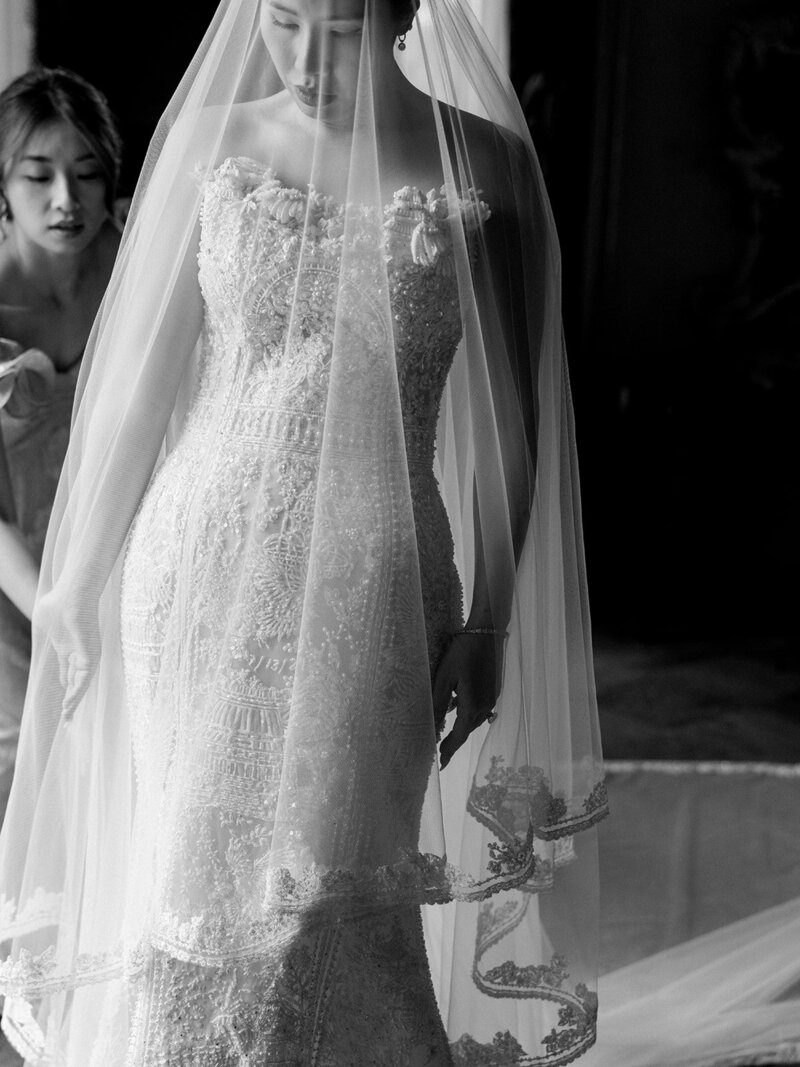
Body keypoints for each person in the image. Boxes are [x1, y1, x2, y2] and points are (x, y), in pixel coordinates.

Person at [0, 2, 606, 1064]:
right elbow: (136, 398)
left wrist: (489, 619)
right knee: (183, 889)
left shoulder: (490, 166)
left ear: (405, 11)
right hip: (194, 565)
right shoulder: (216, 138)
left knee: (336, 891)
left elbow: (513, 424)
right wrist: (70, 590)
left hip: (376, 585)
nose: (300, 57)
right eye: (278, 19)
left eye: (333, 27)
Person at [0, 68, 122, 823]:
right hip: (15, 575)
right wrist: (52, 605)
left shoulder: (143, 257)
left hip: (123, 551)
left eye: (87, 176)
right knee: (24, 770)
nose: (66, 203)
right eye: (38, 176)